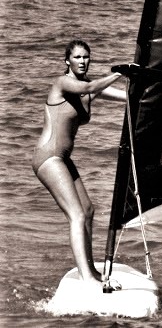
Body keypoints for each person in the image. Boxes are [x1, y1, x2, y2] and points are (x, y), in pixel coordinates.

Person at [32, 39, 126, 291]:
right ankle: (86, 279)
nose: (83, 61)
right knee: (76, 214)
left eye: (86, 57)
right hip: (48, 158)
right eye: (77, 57)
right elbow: (95, 85)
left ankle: (91, 270)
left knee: (88, 210)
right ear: (67, 61)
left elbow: (125, 97)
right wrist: (119, 73)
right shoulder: (63, 84)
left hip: (63, 159)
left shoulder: (85, 87)